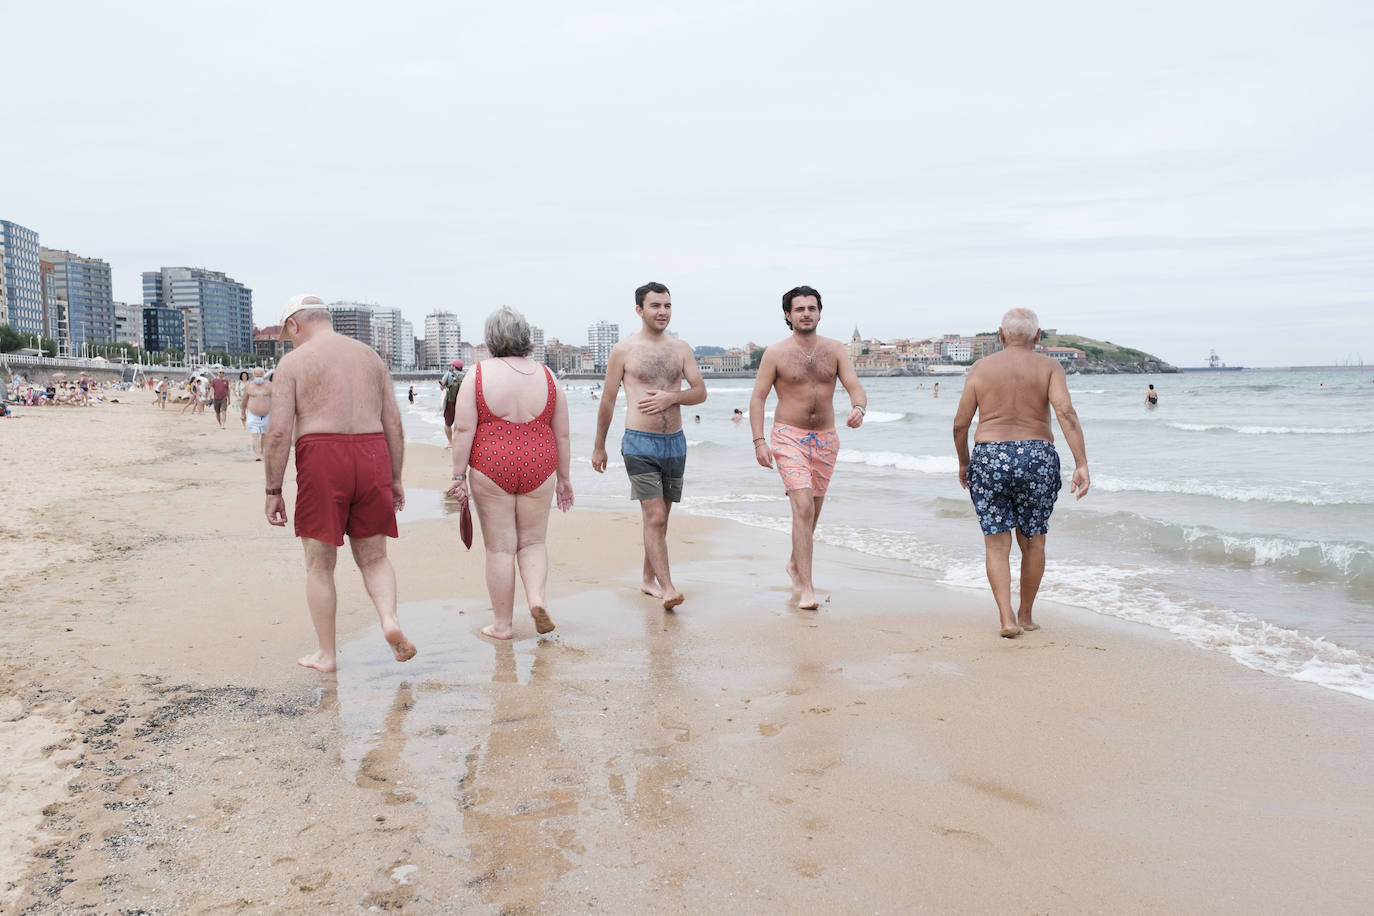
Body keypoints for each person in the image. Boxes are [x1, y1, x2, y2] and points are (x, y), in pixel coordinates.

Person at [263, 293, 416, 672]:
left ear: (295, 325)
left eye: (289, 335)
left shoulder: (294, 362)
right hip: (372, 452)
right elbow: (393, 423)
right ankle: (389, 619)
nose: (290, 341)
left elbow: (280, 432)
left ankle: (327, 654)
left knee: (319, 564)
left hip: (322, 455)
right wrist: (395, 477)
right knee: (375, 556)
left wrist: (273, 489)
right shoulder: (371, 358)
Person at [952, 307, 1090, 638]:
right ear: (1037, 336)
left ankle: (1006, 619)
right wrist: (1081, 462)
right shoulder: (1050, 367)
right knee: (1033, 542)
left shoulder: (981, 368)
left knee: (996, 545)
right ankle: (1026, 615)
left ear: (1001, 336)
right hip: (1037, 456)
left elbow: (960, 423)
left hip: (990, 455)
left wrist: (964, 461)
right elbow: (1065, 412)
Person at [446, 307, 574, 640]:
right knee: (533, 542)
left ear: (491, 339)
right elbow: (561, 433)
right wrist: (564, 478)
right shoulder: (547, 375)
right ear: (526, 337)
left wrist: (458, 476)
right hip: (540, 462)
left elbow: (462, 429)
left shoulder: (477, 374)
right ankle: (537, 600)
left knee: (501, 548)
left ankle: (502, 625)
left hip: (492, 463)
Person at [749, 285, 867, 610]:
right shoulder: (775, 353)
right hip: (789, 436)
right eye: (799, 309)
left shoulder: (836, 350)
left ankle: (794, 563)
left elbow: (855, 385)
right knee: (802, 508)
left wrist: (859, 407)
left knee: (812, 511)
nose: (806, 314)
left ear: (819, 312)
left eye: (811, 308)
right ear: (788, 315)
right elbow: (758, 397)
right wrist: (760, 441)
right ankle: (806, 586)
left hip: (826, 439)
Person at [591, 281, 707, 610]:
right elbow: (609, 401)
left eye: (667, 305)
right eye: (656, 306)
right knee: (654, 516)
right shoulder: (623, 351)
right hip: (639, 442)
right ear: (640, 310)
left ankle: (646, 579)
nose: (663, 312)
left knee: (661, 518)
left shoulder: (681, 348)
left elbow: (700, 392)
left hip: (675, 443)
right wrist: (599, 445)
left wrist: (672, 397)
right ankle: (668, 587)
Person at [241, 366, 273, 460]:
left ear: (263, 375)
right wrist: (243, 413)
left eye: (261, 375)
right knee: (255, 434)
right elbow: (244, 400)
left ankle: (262, 451)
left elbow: (276, 399)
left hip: (267, 414)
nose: (259, 377)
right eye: (257, 375)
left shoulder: (269, 386)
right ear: (253, 375)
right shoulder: (249, 386)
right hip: (253, 414)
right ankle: (258, 454)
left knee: (264, 434)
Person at [440, 359, 465, 446]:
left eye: (452, 365)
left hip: (450, 402)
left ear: (454, 367)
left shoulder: (448, 374)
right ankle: (458, 442)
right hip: (462, 403)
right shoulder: (466, 375)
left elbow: (442, 386)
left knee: (448, 423)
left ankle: (450, 443)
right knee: (459, 424)